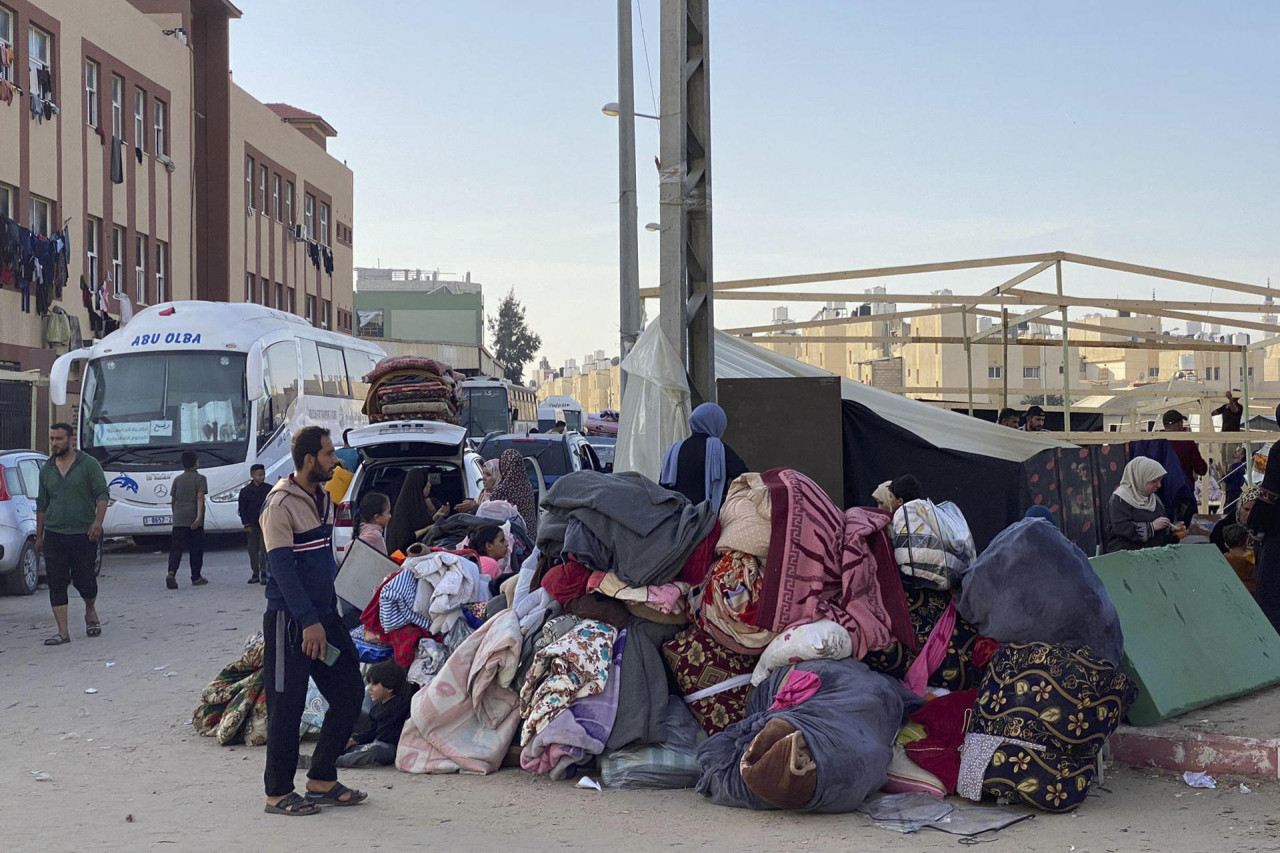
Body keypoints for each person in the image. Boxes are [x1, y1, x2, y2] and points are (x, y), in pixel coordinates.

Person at [260, 426, 367, 816]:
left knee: (350, 690)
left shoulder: (323, 498)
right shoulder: (279, 506)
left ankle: (321, 777)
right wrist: (307, 622)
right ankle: (278, 793)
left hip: (325, 618)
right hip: (291, 624)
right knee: (287, 705)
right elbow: (283, 572)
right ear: (309, 461)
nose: (335, 460)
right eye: (327, 454)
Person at [35, 423, 108, 646]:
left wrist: (98, 522)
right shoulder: (47, 469)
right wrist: (39, 537)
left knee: (85, 580)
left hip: (83, 533)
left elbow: (102, 494)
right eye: (52, 439)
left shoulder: (88, 465)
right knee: (56, 583)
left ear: (70, 440)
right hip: (54, 534)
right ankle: (63, 632)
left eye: (59, 439)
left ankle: (90, 610)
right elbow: (42, 504)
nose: (55, 443)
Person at [659, 402, 749, 513]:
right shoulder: (718, 448)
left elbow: (662, 487)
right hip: (709, 519)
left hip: (677, 520)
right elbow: (744, 476)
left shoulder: (674, 450)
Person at [333, 660, 416, 768]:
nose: (369, 688)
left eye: (375, 684)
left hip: (390, 749)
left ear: (389, 687)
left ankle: (334, 762)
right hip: (375, 743)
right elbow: (373, 732)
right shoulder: (376, 708)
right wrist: (354, 740)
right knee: (348, 745)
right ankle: (327, 757)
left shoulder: (403, 705)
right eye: (369, 683)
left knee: (375, 750)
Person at [1103, 457, 1179, 553]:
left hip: (1154, 557)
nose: (1159, 485)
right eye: (1154, 481)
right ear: (1140, 478)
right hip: (1127, 560)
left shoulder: (1154, 499)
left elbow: (1160, 529)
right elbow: (1122, 528)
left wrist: (1172, 531)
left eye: (1160, 480)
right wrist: (1151, 527)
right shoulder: (1121, 499)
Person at [167, 450, 208, 589]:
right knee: (196, 548)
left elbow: (173, 500)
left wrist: (176, 515)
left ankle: (171, 573)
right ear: (196, 462)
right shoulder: (200, 479)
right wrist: (198, 517)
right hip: (193, 517)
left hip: (179, 518)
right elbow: (200, 497)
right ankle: (196, 577)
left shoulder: (177, 479)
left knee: (176, 548)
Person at [384, 469, 438, 555]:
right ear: (419, 485)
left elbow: (421, 523)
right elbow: (405, 539)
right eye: (426, 483)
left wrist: (437, 517)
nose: (429, 485)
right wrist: (428, 528)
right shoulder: (403, 509)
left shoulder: (419, 504)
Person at [489, 449, 539, 538]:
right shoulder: (526, 485)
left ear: (504, 465)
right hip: (530, 535)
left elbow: (491, 514)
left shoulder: (502, 489)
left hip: (514, 537)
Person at [238, 464, 272, 584]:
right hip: (252, 524)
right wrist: (246, 524)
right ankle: (255, 573)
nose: (262, 477)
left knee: (264, 549)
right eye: (259, 475)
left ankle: (264, 573)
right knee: (253, 550)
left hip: (265, 523)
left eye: (263, 474)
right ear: (252, 475)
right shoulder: (245, 491)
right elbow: (242, 509)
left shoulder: (269, 489)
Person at [1162, 409, 1208, 491]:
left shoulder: (1157, 442)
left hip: (1162, 491)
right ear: (1179, 425)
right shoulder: (1187, 443)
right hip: (1184, 490)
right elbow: (1201, 469)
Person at [1222, 523, 1256, 593]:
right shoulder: (1252, 557)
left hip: (1232, 591)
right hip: (1252, 591)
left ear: (1226, 544)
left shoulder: (1224, 559)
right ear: (1245, 540)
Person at [1224, 445, 1247, 513]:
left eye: (1239, 451)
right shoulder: (1234, 466)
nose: (1236, 451)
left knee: (1230, 511)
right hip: (1231, 493)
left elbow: (1228, 478)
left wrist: (1220, 471)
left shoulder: (1239, 466)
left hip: (1234, 493)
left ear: (1242, 455)